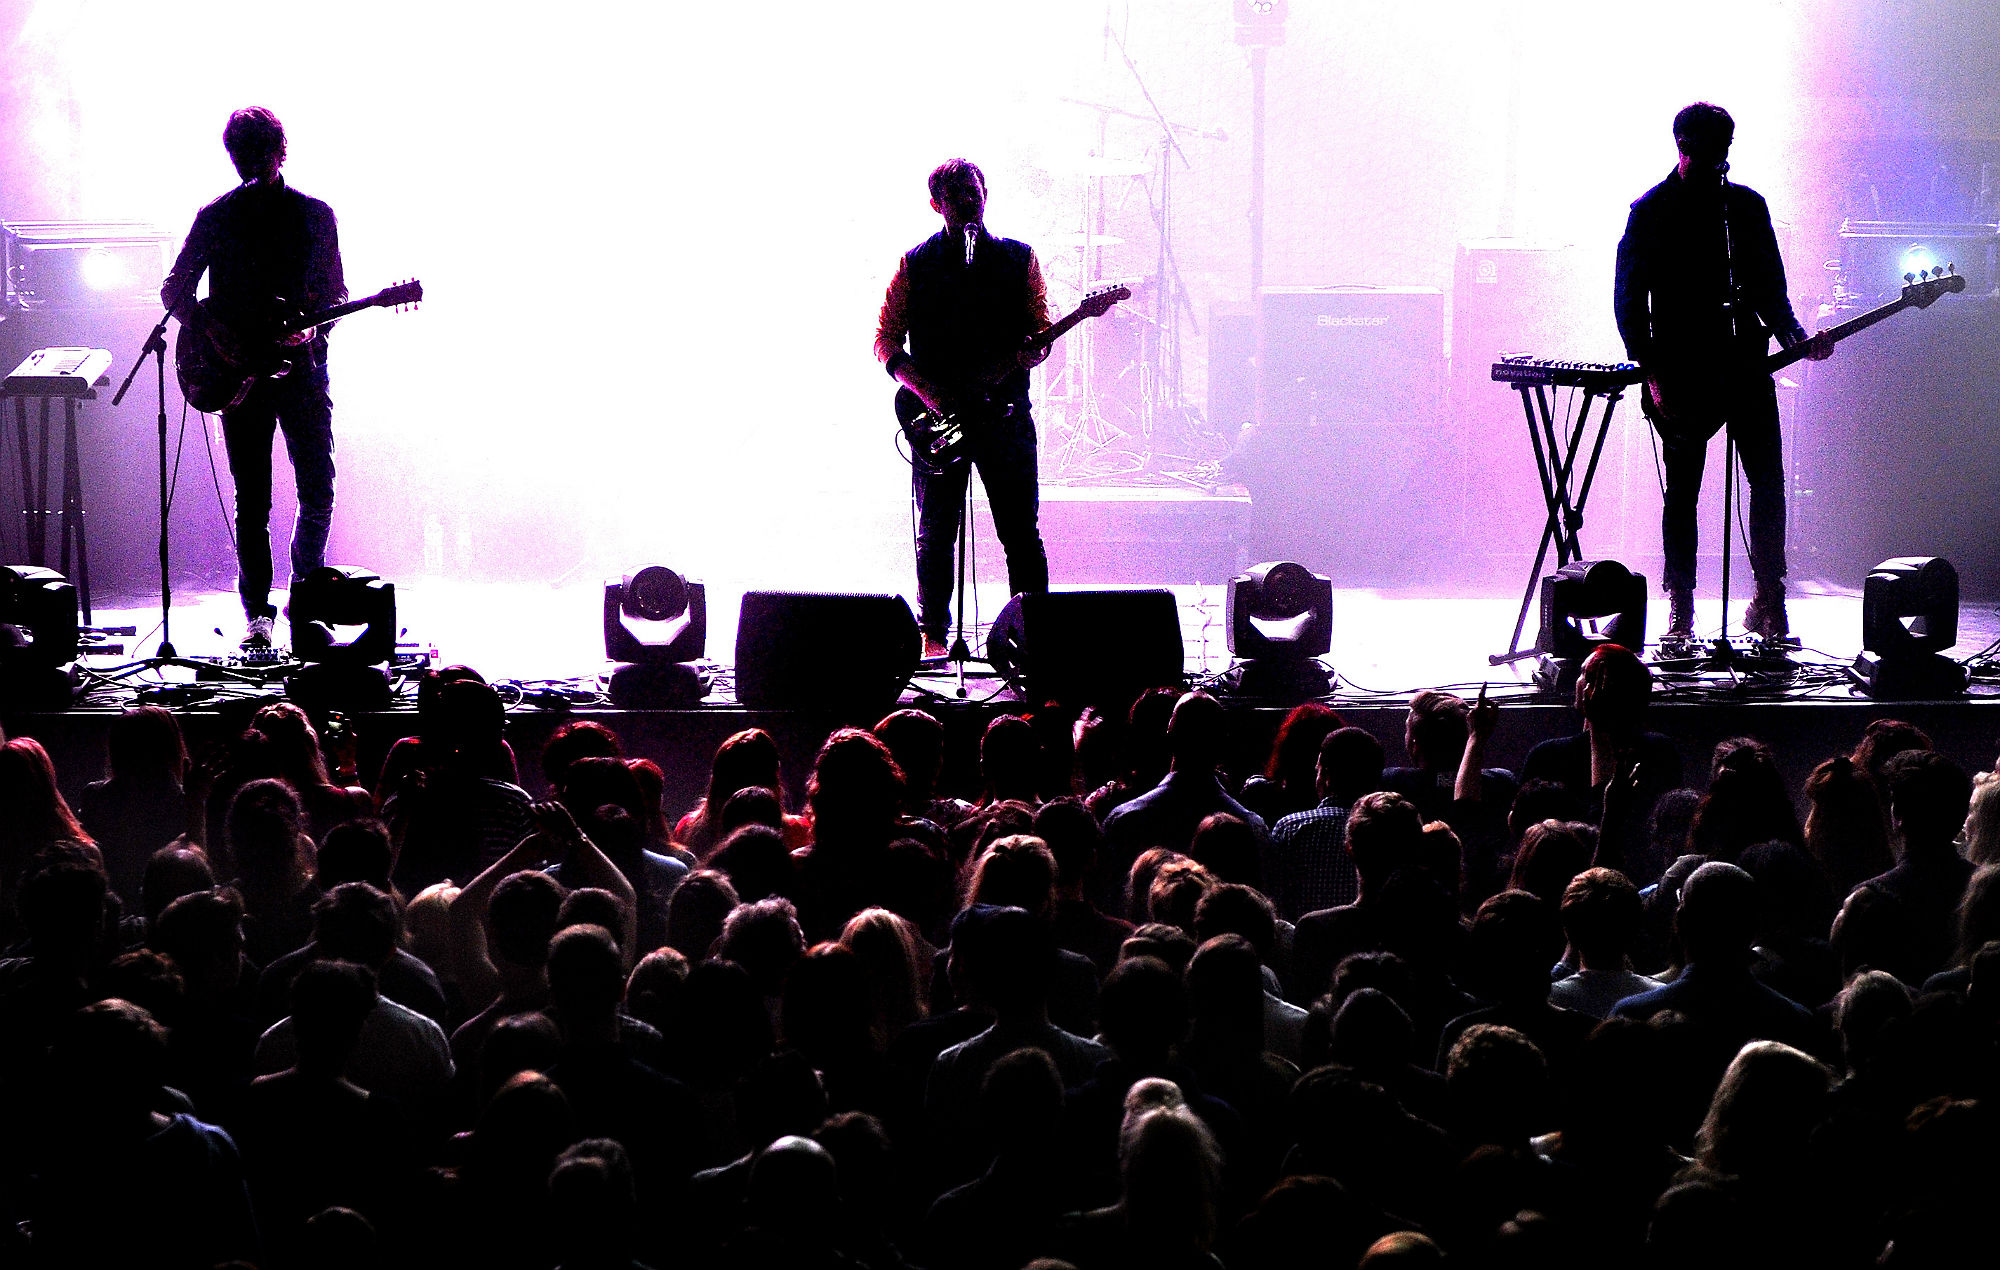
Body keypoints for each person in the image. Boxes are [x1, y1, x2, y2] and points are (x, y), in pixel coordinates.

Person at [1614, 102, 1833, 639]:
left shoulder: (1746, 208)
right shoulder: (1650, 212)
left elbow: (1771, 290)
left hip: (1745, 363)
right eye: (1711, 151)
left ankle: (1769, 597)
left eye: (1725, 151)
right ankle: (1681, 604)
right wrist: (1652, 372)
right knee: (1683, 491)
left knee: (1768, 482)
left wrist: (1796, 338)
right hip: (1681, 371)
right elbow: (1628, 302)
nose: (1721, 162)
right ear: (1683, 148)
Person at [162, 106, 346, 648]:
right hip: (239, 375)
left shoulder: (314, 216)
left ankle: (305, 598)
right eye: (240, 154)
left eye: (258, 152)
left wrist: (313, 328)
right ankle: (258, 613)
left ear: (279, 150)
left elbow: (335, 292)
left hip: (303, 371)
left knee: (318, 487)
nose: (249, 163)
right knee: (253, 499)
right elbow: (174, 289)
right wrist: (210, 330)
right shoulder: (217, 217)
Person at [875, 157, 1052, 659]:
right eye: (955, 197)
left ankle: (1035, 635)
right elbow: (886, 340)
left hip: (1005, 417)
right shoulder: (915, 264)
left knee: (1021, 533)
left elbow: (1039, 328)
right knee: (936, 534)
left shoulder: (1020, 259)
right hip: (937, 418)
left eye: (974, 192)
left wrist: (1036, 349)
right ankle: (933, 636)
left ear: (986, 194)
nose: (968, 203)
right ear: (937, 205)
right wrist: (928, 393)